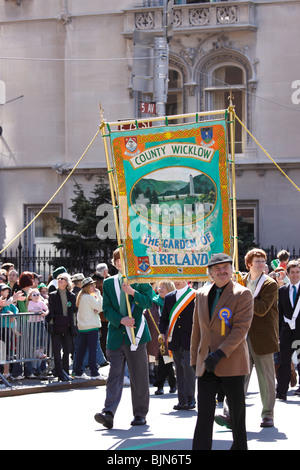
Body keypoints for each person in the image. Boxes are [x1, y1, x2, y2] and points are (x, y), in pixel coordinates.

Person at [191, 253, 253, 450]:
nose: (222, 271)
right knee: (204, 414)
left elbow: (240, 329)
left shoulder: (242, 294)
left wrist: (219, 352)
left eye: (226, 267)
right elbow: (197, 329)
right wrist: (195, 359)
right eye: (218, 269)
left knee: (237, 414)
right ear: (210, 273)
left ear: (232, 270)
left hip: (231, 362)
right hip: (206, 364)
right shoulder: (200, 294)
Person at [217, 248, 279, 429]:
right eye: (258, 261)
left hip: (263, 337)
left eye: (263, 261)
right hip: (241, 336)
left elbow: (261, 308)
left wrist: (242, 293)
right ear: (249, 264)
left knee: (266, 379)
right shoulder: (240, 280)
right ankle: (230, 414)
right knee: (237, 376)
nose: (261, 264)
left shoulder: (270, 284)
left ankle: (268, 414)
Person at [94, 248, 153, 429]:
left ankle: (140, 414)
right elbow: (107, 308)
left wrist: (132, 293)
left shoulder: (141, 281)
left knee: (139, 377)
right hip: (116, 336)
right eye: (117, 260)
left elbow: (148, 302)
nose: (120, 263)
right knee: (114, 375)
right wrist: (121, 320)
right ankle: (108, 412)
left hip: (136, 336)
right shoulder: (109, 283)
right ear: (114, 263)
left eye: (124, 260)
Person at [159, 279, 196, 410]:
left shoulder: (194, 295)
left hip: (190, 338)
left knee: (188, 368)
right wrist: (162, 332)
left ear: (187, 280)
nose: (177, 282)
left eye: (180, 279)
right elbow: (163, 318)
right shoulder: (169, 297)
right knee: (178, 370)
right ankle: (182, 400)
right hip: (174, 338)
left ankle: (191, 398)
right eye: (174, 279)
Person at [144, 280, 176, 395]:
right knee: (163, 361)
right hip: (157, 337)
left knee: (165, 361)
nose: (160, 289)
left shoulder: (175, 302)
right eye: (159, 287)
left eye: (163, 287)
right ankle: (171, 384)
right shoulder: (153, 303)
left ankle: (161, 385)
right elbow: (146, 317)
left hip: (171, 337)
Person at [46, 273, 77, 381]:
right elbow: (50, 311)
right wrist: (50, 324)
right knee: (56, 350)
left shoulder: (71, 296)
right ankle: (59, 373)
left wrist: (74, 326)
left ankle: (65, 371)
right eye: (58, 279)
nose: (59, 280)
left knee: (67, 349)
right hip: (56, 326)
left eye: (62, 279)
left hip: (68, 326)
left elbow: (73, 312)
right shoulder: (53, 295)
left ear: (67, 282)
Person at [276, 260, 300, 400]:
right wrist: (279, 332)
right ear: (288, 274)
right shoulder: (282, 290)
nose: (295, 275)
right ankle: (281, 390)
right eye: (292, 272)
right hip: (286, 332)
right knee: (284, 361)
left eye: (297, 272)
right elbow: (280, 312)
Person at [74, 277, 105, 380]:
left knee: (81, 351)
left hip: (83, 327)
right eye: (92, 285)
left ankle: (78, 372)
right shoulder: (88, 297)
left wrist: (95, 307)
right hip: (91, 327)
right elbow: (101, 307)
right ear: (87, 287)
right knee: (92, 350)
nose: (94, 287)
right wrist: (99, 295)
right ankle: (94, 372)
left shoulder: (82, 296)